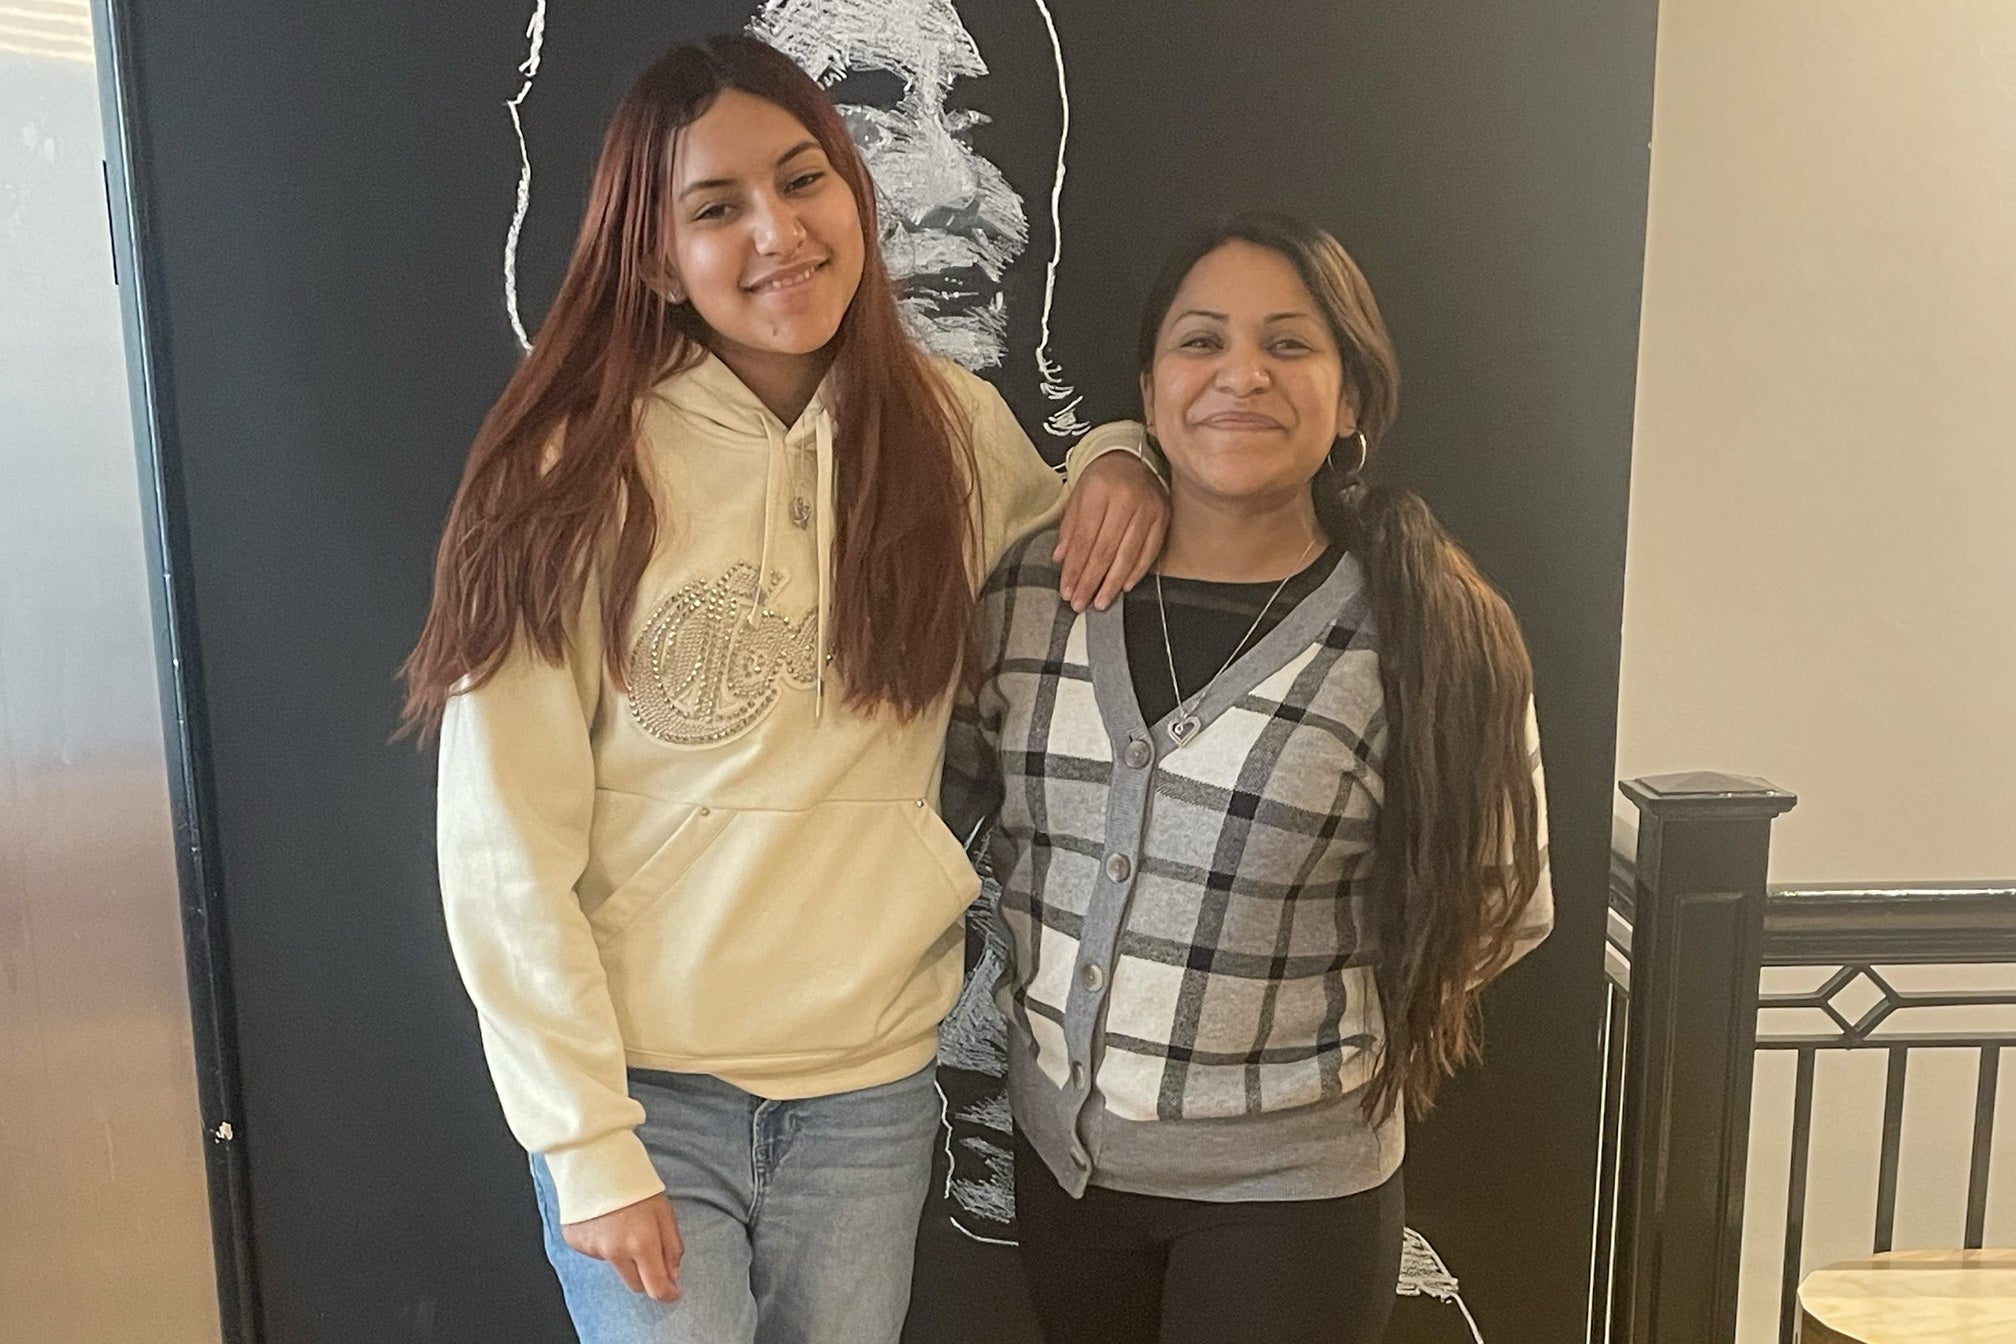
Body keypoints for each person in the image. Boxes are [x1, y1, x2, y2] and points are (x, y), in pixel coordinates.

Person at [399, 35, 1166, 1344]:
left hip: (867, 1098)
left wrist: (1126, 452)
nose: (779, 230)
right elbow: (499, 844)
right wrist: (587, 1144)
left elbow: (1071, 539)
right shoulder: (570, 475)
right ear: (655, 257)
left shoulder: (948, 428)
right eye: (717, 207)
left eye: (804, 178)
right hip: (650, 1098)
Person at [942, 212, 1555, 1344]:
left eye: (1289, 345)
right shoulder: (1036, 588)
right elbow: (956, 800)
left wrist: (1300, 1024)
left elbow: (1500, 901)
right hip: (1064, 1171)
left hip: (1290, 1198)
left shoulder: (1430, 637)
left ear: (1353, 399)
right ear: (1148, 385)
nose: (1241, 376)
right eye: (1202, 342)